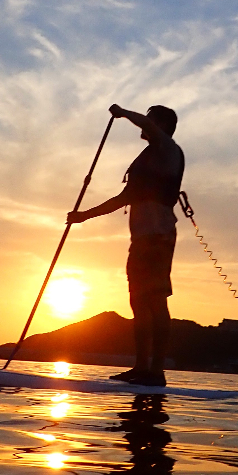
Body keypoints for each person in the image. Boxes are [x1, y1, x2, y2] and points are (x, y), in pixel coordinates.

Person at [67, 104, 184, 386]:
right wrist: (83, 216)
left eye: (150, 119)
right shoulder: (145, 160)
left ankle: (156, 371)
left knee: (155, 301)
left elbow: (149, 125)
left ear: (161, 125)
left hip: (158, 238)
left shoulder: (168, 150)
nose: (145, 124)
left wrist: (123, 113)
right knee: (138, 303)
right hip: (140, 241)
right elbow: (122, 199)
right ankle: (141, 367)